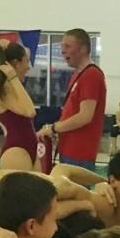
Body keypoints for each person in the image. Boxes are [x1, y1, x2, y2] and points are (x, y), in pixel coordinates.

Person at [37, 28, 107, 171]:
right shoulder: (77, 75)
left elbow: (85, 116)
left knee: (75, 193)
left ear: (83, 49)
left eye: (68, 47)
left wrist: (54, 128)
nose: (63, 51)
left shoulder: (91, 75)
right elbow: (71, 112)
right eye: (62, 47)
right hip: (68, 148)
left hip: (80, 152)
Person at [0, 41, 47, 173]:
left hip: (30, 147)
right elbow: (30, 111)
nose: (28, 67)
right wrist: (12, 76)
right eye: (26, 62)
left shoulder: (14, 87)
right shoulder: (3, 90)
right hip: (15, 151)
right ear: (16, 63)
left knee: (39, 192)